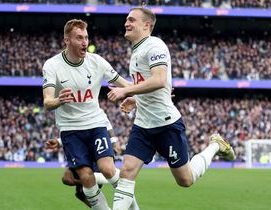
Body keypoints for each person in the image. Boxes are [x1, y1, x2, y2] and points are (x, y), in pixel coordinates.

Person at [107, 7, 236, 209]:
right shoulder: (137, 50)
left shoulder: (155, 46)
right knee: (127, 172)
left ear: (146, 25)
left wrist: (127, 91)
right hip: (142, 125)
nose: (126, 23)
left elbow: (159, 80)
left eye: (131, 19)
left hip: (166, 125)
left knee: (185, 179)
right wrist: (137, 100)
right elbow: (157, 86)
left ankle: (215, 146)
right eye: (126, 20)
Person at [42, 19, 137, 210]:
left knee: (108, 169)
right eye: (79, 38)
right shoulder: (52, 65)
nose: (85, 42)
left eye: (86, 37)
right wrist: (59, 100)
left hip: (95, 125)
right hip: (70, 130)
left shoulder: (97, 62)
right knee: (85, 176)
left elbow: (126, 84)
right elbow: (47, 102)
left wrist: (153, 91)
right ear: (67, 41)